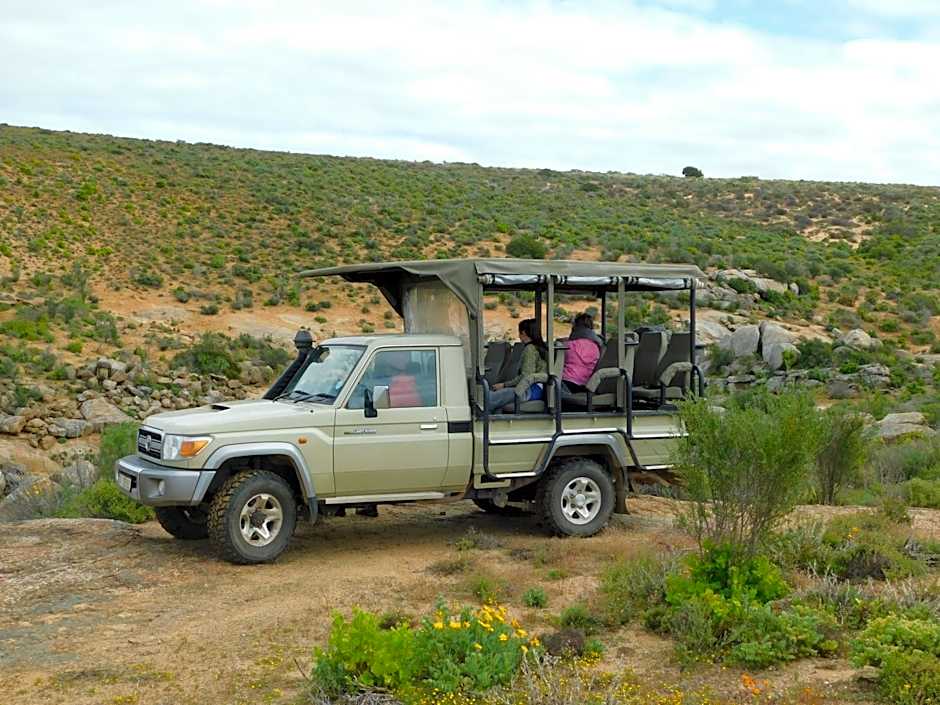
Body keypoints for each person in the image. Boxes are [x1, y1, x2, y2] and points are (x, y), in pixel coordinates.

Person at [487, 319, 548, 412]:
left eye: (519, 333)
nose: (519, 336)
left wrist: (504, 385)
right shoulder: (539, 348)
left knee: (489, 398)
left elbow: (526, 375)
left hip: (528, 390)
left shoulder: (530, 349)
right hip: (534, 390)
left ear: (523, 333)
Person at [562, 312, 603, 394]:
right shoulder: (597, 347)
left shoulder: (568, 345)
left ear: (575, 326)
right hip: (587, 385)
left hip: (567, 382)